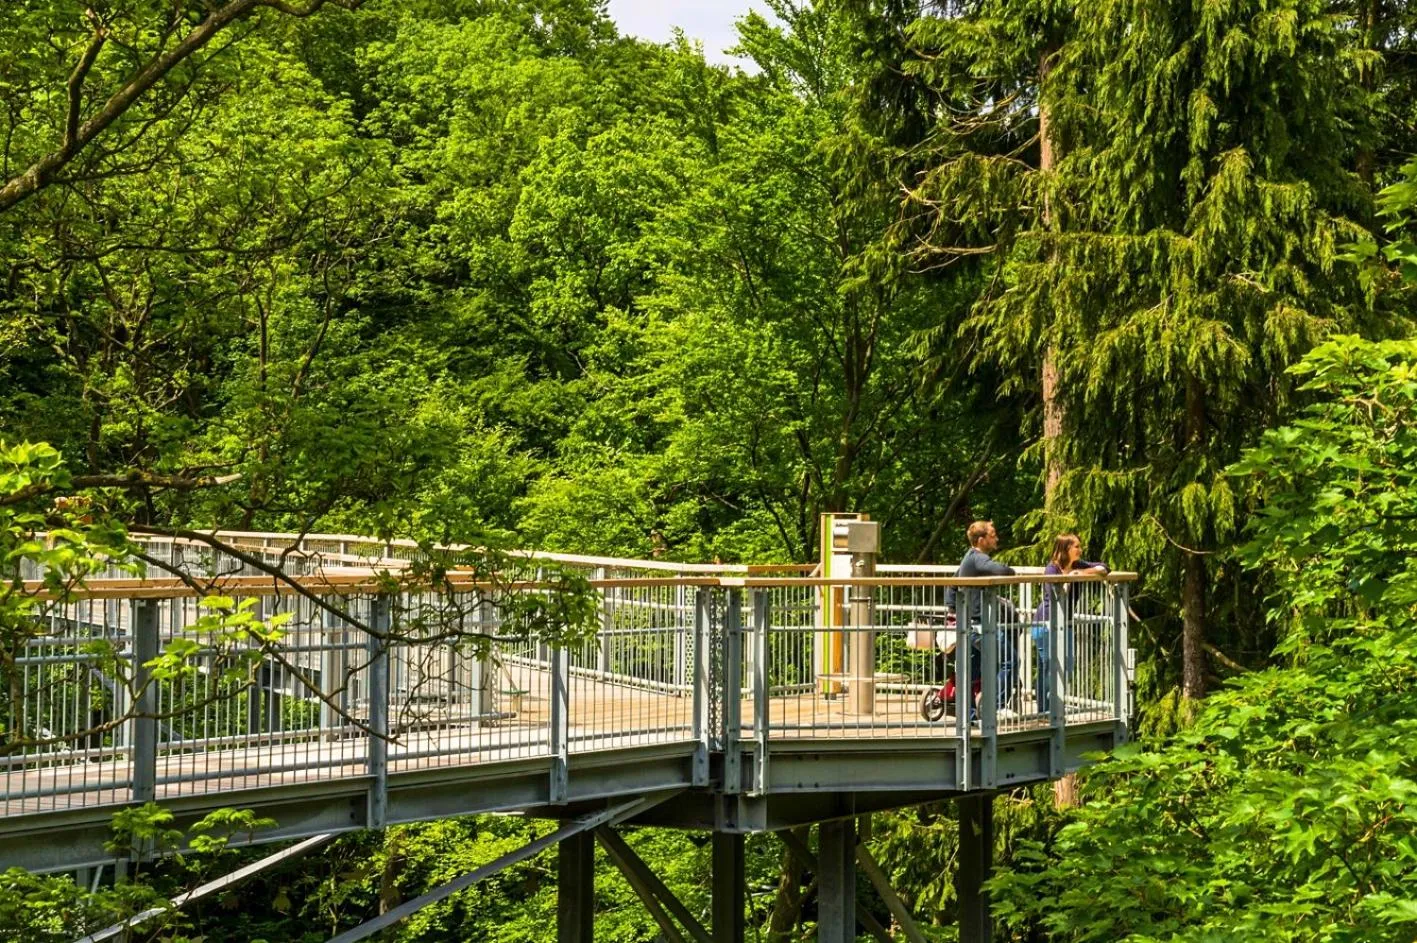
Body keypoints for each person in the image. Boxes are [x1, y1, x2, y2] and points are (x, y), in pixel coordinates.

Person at [947, 521, 1018, 718]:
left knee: (971, 671)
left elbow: (951, 586)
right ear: (981, 540)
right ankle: (994, 707)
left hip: (969, 624)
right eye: (992, 535)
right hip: (979, 625)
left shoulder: (968, 559)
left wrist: (953, 609)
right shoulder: (978, 558)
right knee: (1009, 661)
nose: (996, 538)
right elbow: (1004, 571)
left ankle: (969, 716)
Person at [1031, 534, 1108, 713]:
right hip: (1046, 623)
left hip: (1066, 623)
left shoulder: (1077, 565)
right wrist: (1069, 578)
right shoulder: (1052, 569)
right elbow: (1054, 594)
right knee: (1049, 667)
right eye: (1077, 547)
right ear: (1066, 549)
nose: (1080, 550)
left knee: (1067, 663)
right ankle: (1046, 709)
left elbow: (1104, 568)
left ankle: (1052, 706)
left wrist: (1078, 573)